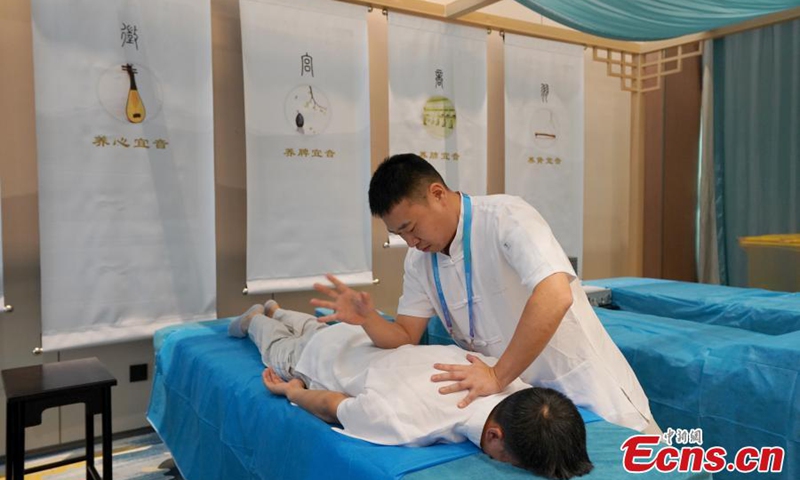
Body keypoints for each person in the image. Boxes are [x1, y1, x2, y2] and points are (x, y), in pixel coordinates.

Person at [311, 153, 659, 434]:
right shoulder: (419, 261)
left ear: (436, 193)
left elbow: (556, 295)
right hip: (522, 404)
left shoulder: (507, 217)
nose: (411, 242)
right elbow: (404, 335)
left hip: (587, 390)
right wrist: (368, 320)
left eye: (411, 227)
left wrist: (496, 375)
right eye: (399, 234)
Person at [228, 301, 594, 480]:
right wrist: (292, 393)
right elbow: (330, 403)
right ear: (495, 436)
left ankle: (278, 309)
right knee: (278, 348)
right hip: (317, 359)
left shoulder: (505, 377)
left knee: (313, 326)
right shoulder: (407, 421)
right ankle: (258, 318)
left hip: (358, 340)